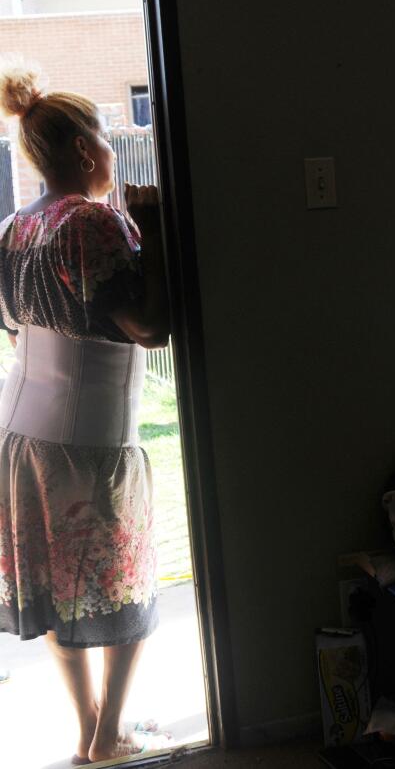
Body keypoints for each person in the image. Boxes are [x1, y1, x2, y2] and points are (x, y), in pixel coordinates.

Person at [0, 63, 170, 764]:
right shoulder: (92, 222)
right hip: (90, 439)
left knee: (50, 583)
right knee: (122, 583)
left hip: (22, 432)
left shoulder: (15, 225)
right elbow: (151, 325)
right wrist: (155, 227)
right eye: (103, 133)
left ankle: (90, 726)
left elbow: (16, 323)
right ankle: (108, 738)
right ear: (81, 149)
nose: (108, 149)